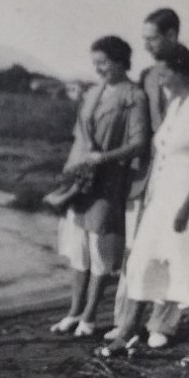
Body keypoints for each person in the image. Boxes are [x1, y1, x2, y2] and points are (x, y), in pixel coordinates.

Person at [103, 42, 189, 365]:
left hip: (187, 200)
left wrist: (186, 206)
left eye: (163, 72)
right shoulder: (176, 105)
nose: (159, 79)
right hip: (161, 199)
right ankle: (128, 331)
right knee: (141, 261)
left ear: (180, 71)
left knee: (188, 267)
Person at [49, 36, 149, 338]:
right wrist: (74, 169)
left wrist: (103, 157)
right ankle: (74, 312)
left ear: (120, 61)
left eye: (103, 63)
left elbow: (139, 143)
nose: (99, 69)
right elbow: (80, 134)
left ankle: (90, 317)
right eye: (95, 64)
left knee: (100, 251)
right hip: (81, 180)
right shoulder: (93, 92)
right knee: (78, 249)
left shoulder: (134, 96)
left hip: (109, 182)